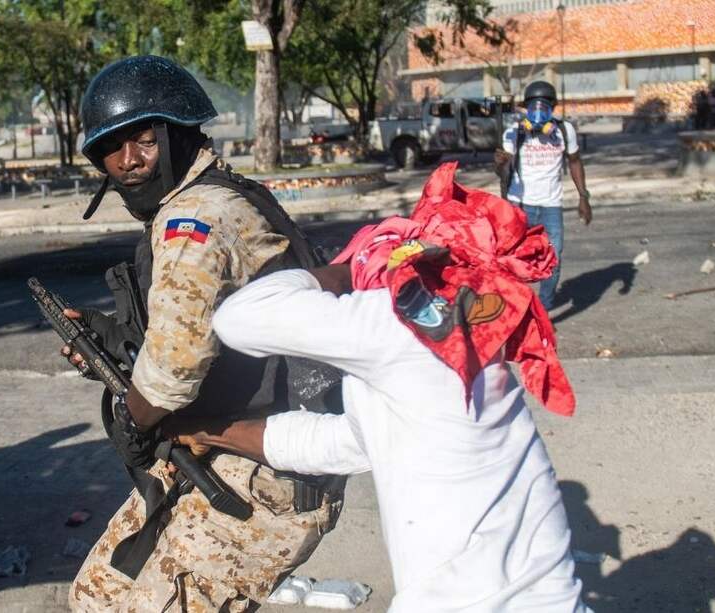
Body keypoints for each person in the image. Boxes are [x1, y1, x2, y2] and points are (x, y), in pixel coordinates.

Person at [166, 164, 588, 611]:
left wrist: (342, 274)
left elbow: (240, 318)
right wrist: (211, 431)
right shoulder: (463, 346)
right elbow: (341, 442)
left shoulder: (396, 327)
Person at [64, 55, 344, 612]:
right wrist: (110, 341)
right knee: (97, 596)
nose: (129, 160)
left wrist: (134, 422)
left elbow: (170, 374)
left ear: (178, 133)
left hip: (265, 475)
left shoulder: (194, 217)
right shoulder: (226, 192)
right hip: (224, 449)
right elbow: (208, 332)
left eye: (145, 140)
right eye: (111, 149)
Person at [495, 80, 592, 311]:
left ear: (553, 107)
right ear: (526, 108)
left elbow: (575, 161)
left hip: (551, 206)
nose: (538, 112)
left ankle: (544, 309)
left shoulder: (564, 130)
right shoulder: (514, 133)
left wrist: (583, 197)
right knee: (514, 260)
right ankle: (519, 307)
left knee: (553, 259)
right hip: (520, 205)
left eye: (545, 106)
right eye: (533, 107)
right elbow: (502, 172)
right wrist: (499, 163)